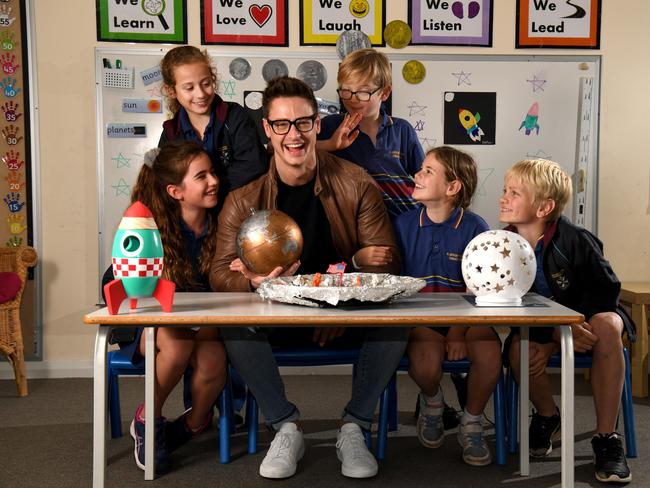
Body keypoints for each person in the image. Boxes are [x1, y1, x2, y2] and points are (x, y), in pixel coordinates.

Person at [210, 76, 407, 480]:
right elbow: (218, 273)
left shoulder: (357, 184)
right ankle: (285, 426)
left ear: (318, 124)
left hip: (342, 317)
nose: (293, 134)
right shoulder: (242, 200)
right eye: (281, 124)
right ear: (267, 129)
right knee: (231, 325)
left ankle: (354, 425)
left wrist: (340, 309)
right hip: (274, 315)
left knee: (396, 325)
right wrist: (251, 281)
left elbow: (386, 267)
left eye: (303, 123)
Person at [501, 159, 632, 483]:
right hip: (541, 330)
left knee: (608, 325)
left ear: (545, 207)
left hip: (589, 321)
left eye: (514, 192)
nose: (503, 198)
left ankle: (607, 438)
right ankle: (547, 416)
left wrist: (571, 326)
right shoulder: (502, 245)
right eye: (505, 190)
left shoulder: (576, 239)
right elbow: (508, 305)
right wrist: (552, 336)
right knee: (520, 350)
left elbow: (607, 290)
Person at [102, 141, 227, 475]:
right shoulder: (149, 226)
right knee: (177, 340)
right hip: (147, 324)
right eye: (202, 176)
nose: (213, 180)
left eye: (212, 172)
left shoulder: (221, 224)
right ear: (176, 191)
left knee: (215, 358)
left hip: (201, 324)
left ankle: (191, 426)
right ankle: (148, 419)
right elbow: (116, 279)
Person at [393, 146, 501, 466]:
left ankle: (471, 421)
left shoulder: (476, 227)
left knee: (490, 354)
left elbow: (479, 290)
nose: (417, 175)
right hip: (420, 319)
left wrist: (457, 329)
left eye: (428, 171)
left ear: (453, 188)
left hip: (468, 318)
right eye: (421, 169)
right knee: (426, 365)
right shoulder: (403, 225)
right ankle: (434, 403)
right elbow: (396, 287)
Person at [317, 48, 424, 219]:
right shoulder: (331, 126)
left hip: (407, 221)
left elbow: (425, 178)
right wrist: (330, 144)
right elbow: (276, 149)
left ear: (385, 92)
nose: (353, 99)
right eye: (346, 90)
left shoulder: (402, 129)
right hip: (360, 224)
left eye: (363, 92)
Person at [158, 45, 268, 203]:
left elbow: (255, 164)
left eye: (206, 83)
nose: (201, 94)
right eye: (189, 88)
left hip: (236, 212)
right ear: (171, 91)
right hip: (192, 219)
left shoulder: (235, 115)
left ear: (213, 79)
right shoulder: (171, 132)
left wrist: (202, 188)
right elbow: (164, 180)